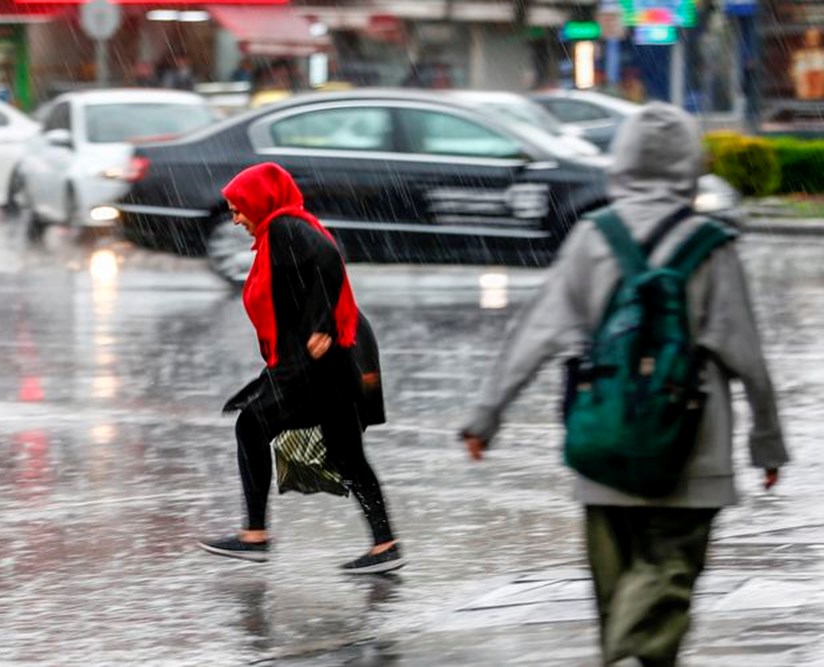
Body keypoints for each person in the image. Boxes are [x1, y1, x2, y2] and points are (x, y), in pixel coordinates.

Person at [459, 103, 788, 666]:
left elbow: (535, 332)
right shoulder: (712, 243)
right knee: (668, 578)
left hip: (604, 439)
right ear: (690, 162)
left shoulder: (594, 235)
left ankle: (623, 650)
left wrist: (487, 414)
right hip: (693, 448)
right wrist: (767, 443)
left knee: (618, 592)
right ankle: (630, 653)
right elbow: (747, 356)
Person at [198, 162, 404, 575]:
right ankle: (386, 545)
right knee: (347, 455)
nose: (236, 218)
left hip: (321, 365)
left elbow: (329, 258)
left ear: (260, 202)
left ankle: (255, 536)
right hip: (331, 362)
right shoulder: (283, 231)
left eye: (239, 208)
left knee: (252, 425)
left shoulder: (285, 229)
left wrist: (323, 324)